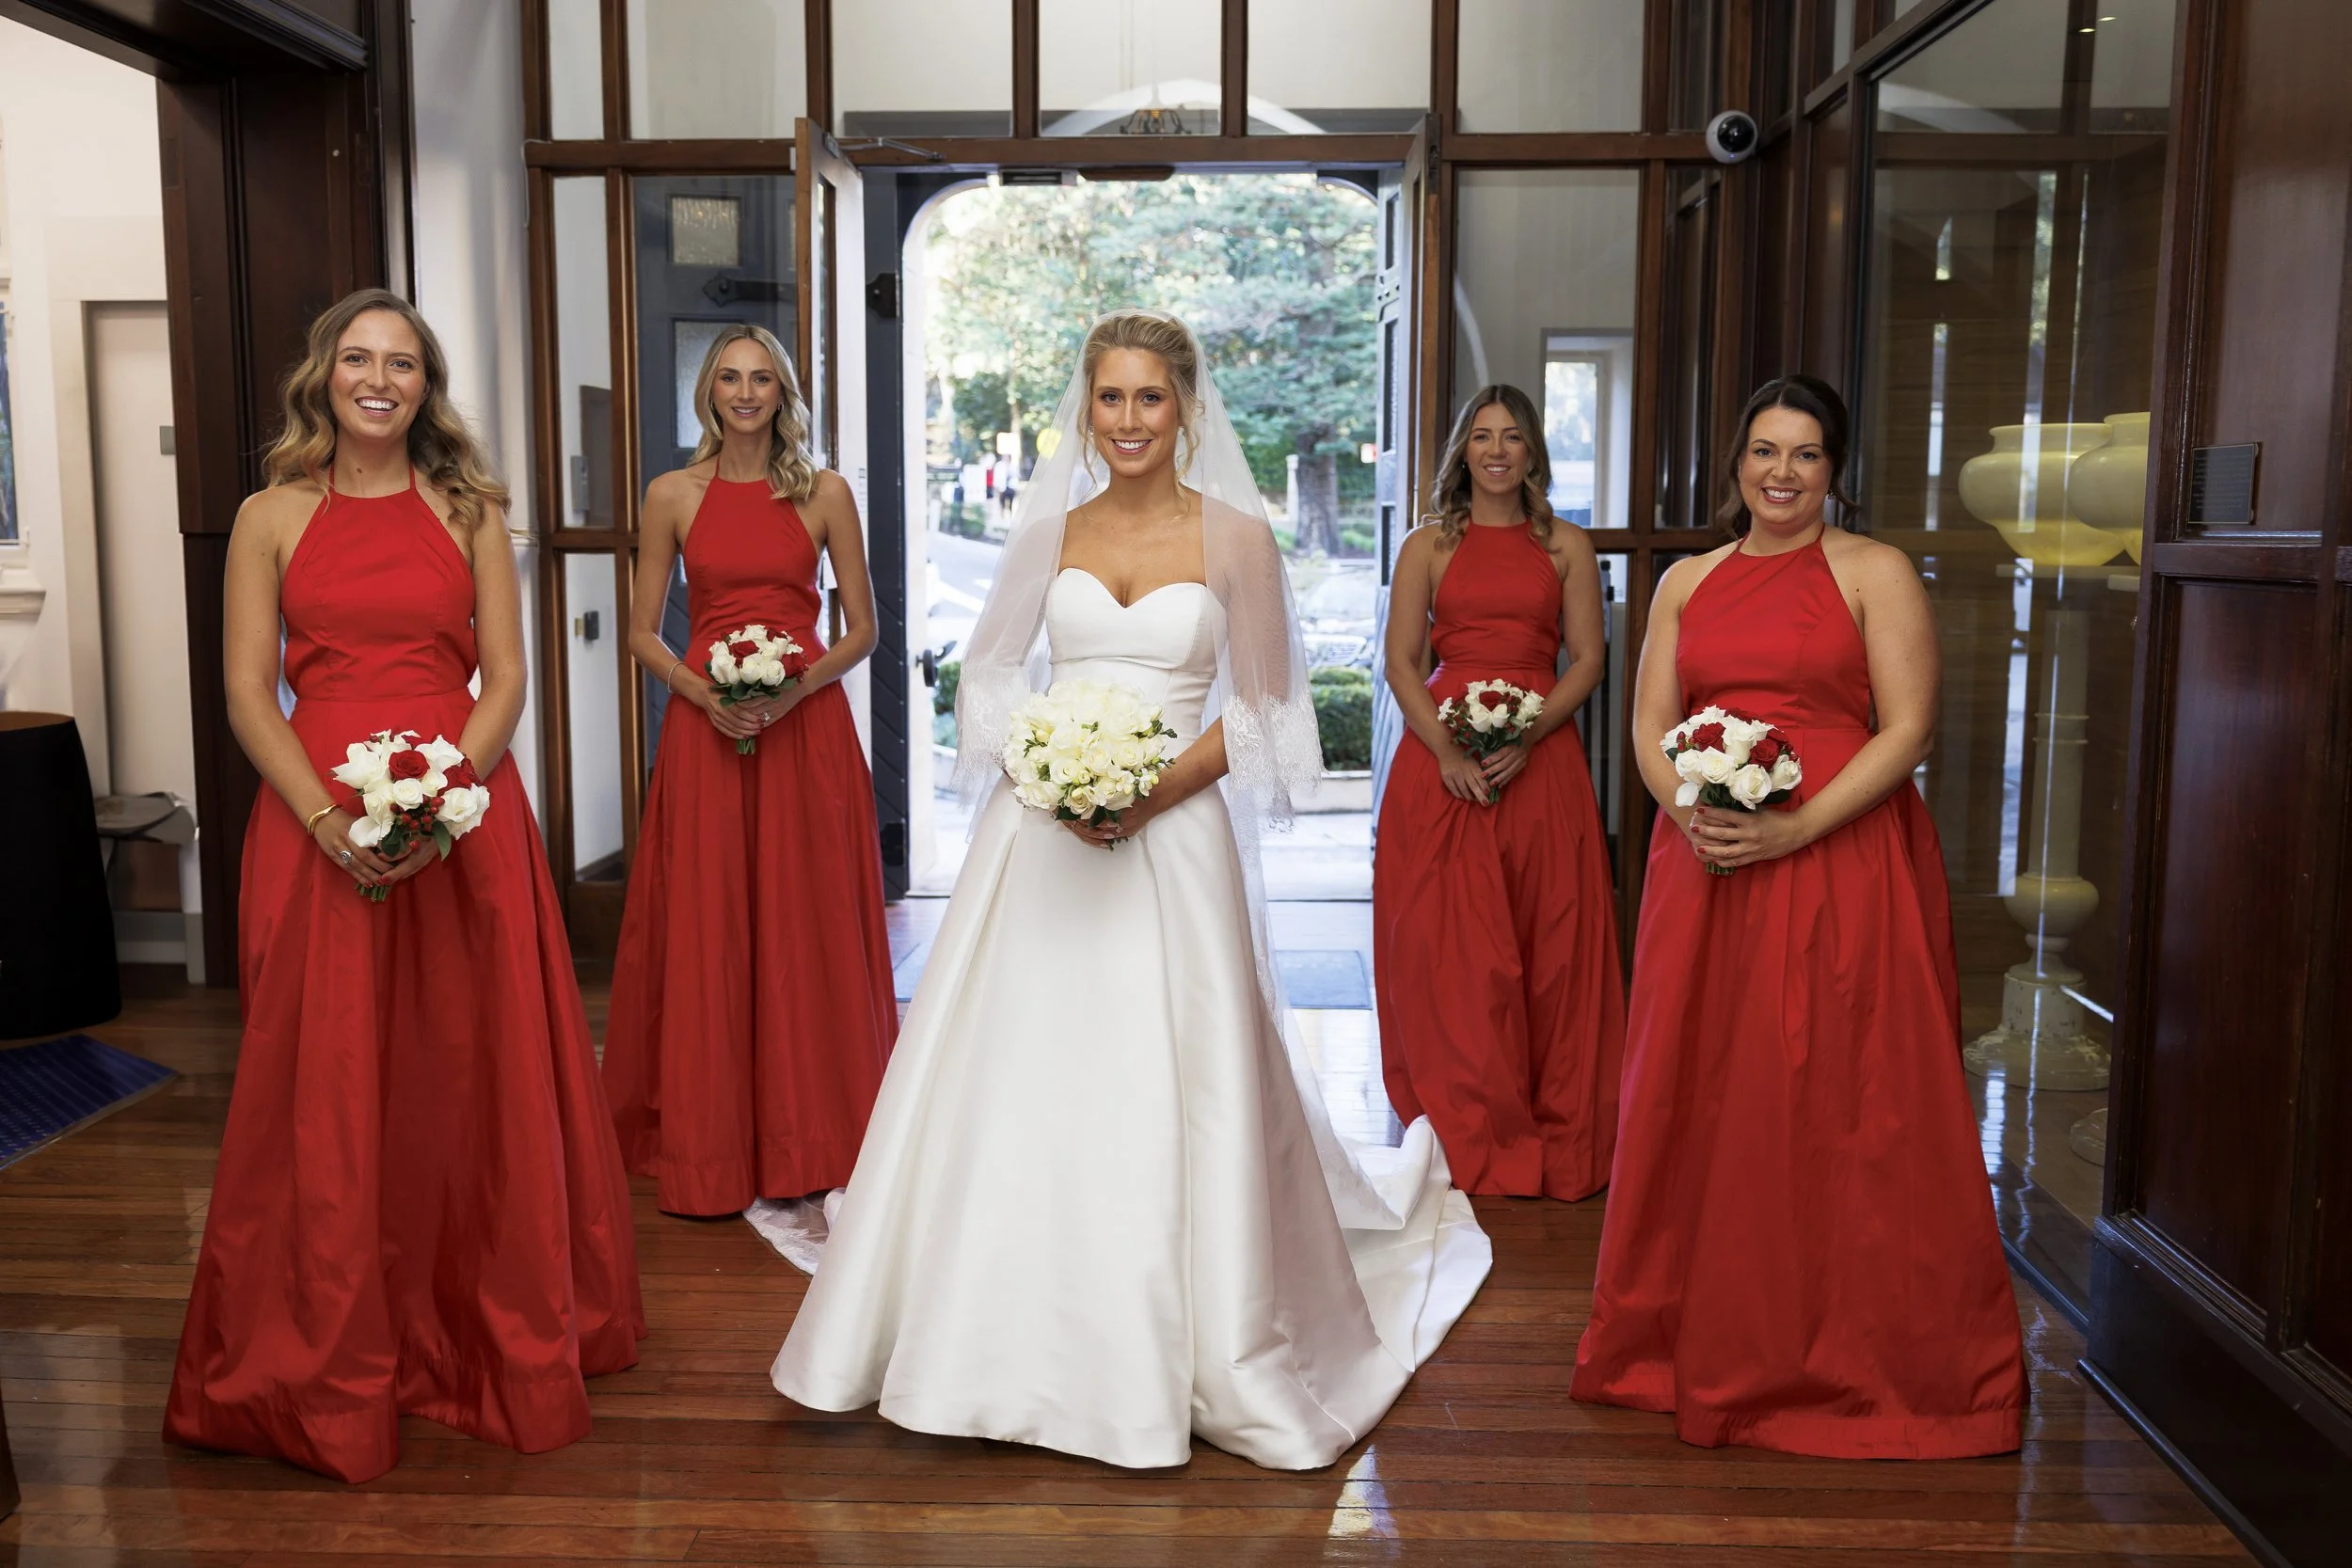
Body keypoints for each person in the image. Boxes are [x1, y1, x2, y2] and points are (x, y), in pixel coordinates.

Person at [769, 309, 1491, 1469]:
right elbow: (991, 678)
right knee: (1015, 1068)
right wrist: (1048, 770)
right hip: (1042, 833)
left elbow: (1265, 714)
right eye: (1109, 398)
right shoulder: (1047, 529)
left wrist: (1146, 792)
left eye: (1149, 398)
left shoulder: (1238, 538)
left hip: (1174, 830)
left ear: (1188, 406)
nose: (1128, 420)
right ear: (1085, 407)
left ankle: (1180, 1331)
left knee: (1168, 1071)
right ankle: (990, 1325)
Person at [165, 290, 644, 1483]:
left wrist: (444, 803)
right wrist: (330, 817)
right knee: (321, 1080)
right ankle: (327, 1353)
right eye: (361, 360)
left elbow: (505, 678)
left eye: (407, 366)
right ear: (325, 373)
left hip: (462, 817)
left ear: (428, 388)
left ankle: (484, 1333)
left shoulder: (468, 508)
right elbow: (244, 694)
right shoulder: (269, 513)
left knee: (469, 1071)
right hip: (314, 813)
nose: (381, 381)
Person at [1571, 375, 2026, 1458]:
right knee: (1706, 1088)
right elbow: (1649, 723)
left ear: (1835, 467)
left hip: (1842, 858)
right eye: (1765, 451)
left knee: (1846, 1098)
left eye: (1806, 454)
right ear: (1736, 462)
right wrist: (1691, 816)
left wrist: (1797, 825)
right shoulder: (1687, 578)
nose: (1782, 473)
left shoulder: (1872, 572)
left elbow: (1907, 728)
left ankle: (1856, 1356)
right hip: (1709, 864)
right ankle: (1697, 1336)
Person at [601, 325, 896, 1217]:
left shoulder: (826, 493)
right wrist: (703, 694)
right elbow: (643, 630)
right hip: (707, 731)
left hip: (803, 732)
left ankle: (811, 1137)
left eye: (761, 378)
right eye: (729, 377)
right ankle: (708, 1147)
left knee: (803, 925)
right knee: (710, 925)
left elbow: (862, 631)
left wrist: (794, 686)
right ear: (707, 391)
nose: (744, 392)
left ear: (783, 392)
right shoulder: (670, 495)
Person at [1373, 386, 1625, 1198]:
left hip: (1539, 761)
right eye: (1482, 436)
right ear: (1462, 451)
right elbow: (1402, 663)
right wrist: (1446, 748)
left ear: (1533, 453)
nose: (1497, 450)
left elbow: (1585, 658)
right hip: (1440, 765)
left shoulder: (1567, 548)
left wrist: (1526, 734)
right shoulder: (1427, 547)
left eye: (1513, 437)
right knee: (1452, 952)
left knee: (1549, 944)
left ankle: (1551, 1111)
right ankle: (1463, 1118)